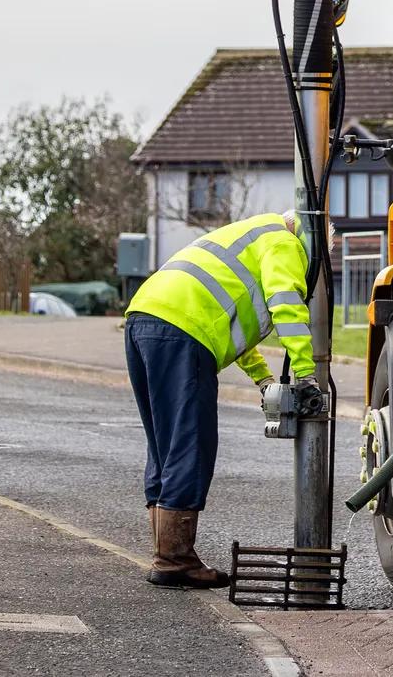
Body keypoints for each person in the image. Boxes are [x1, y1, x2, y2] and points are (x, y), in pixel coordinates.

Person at [124, 210, 318, 588]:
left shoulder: (252, 234)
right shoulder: (284, 241)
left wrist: (264, 379)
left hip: (144, 317)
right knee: (190, 444)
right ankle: (173, 560)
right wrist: (306, 374)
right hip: (183, 329)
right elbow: (286, 305)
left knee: (165, 443)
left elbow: (230, 322)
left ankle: (167, 552)